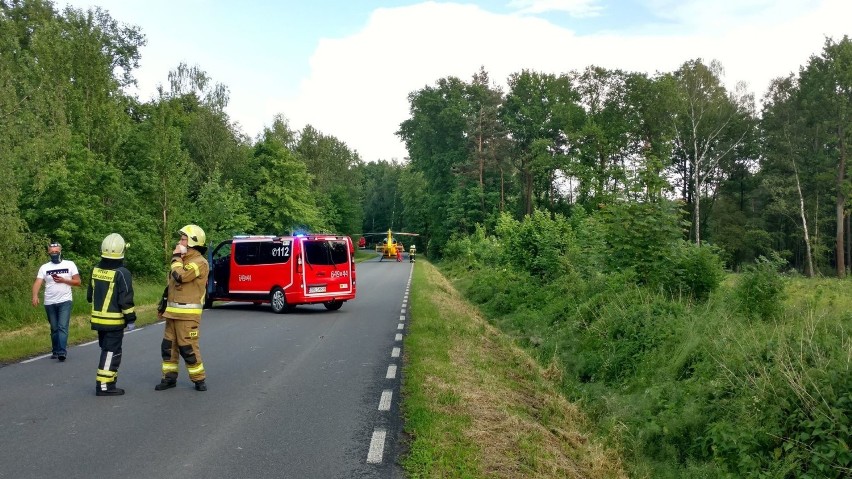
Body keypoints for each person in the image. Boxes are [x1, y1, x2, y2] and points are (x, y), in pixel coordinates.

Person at [155, 224, 210, 392]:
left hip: (187, 316)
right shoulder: (182, 261)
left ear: (192, 242)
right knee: (168, 347)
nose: (179, 242)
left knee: (188, 348)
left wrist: (176, 257)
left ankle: (199, 380)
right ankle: (169, 378)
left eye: (183, 239)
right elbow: (170, 288)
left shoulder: (199, 262)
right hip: (172, 314)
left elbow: (180, 276)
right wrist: (162, 306)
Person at [87, 233, 136, 396]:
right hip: (114, 322)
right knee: (111, 352)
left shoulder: (95, 269)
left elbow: (89, 296)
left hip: (98, 320)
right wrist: (131, 319)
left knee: (107, 350)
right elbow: (125, 300)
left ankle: (110, 381)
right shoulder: (122, 273)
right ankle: (104, 386)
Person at [32, 242, 81, 361]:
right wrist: (35, 295)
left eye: (56, 251)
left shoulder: (69, 264)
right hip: (49, 302)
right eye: (52, 251)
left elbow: (78, 282)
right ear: (48, 252)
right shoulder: (45, 267)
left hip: (65, 300)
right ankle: (55, 350)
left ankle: (61, 352)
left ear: (60, 251)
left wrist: (64, 280)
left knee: (62, 326)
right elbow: (38, 282)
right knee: (54, 328)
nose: (54, 253)